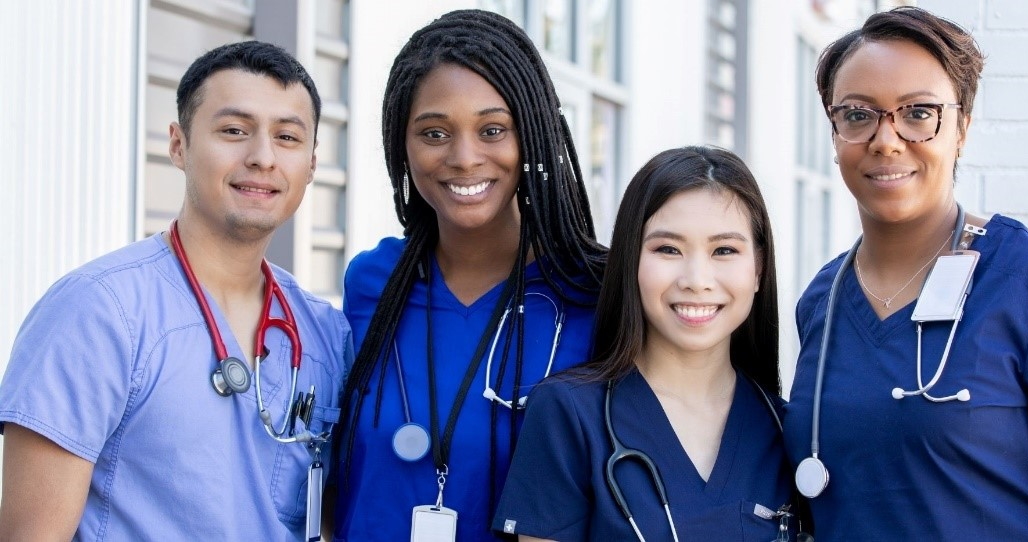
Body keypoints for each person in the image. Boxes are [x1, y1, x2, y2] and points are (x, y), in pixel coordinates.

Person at [782, 6, 1028, 540]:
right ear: (835, 129)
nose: (887, 140)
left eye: (918, 113)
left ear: (961, 127)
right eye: (858, 114)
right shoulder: (822, 299)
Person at [0, 41, 353, 540]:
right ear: (178, 144)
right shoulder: (97, 313)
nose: (262, 158)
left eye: (288, 137)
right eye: (234, 131)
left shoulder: (324, 333)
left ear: (312, 164)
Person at [332, 9, 607, 542]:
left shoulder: (594, 293)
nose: (464, 157)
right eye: (434, 132)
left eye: (493, 129)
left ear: (531, 136)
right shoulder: (372, 284)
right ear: (401, 145)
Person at [493, 146, 800, 541]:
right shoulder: (569, 414)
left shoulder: (786, 431)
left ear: (758, 268)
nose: (696, 279)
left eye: (724, 250)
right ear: (631, 261)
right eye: (668, 249)